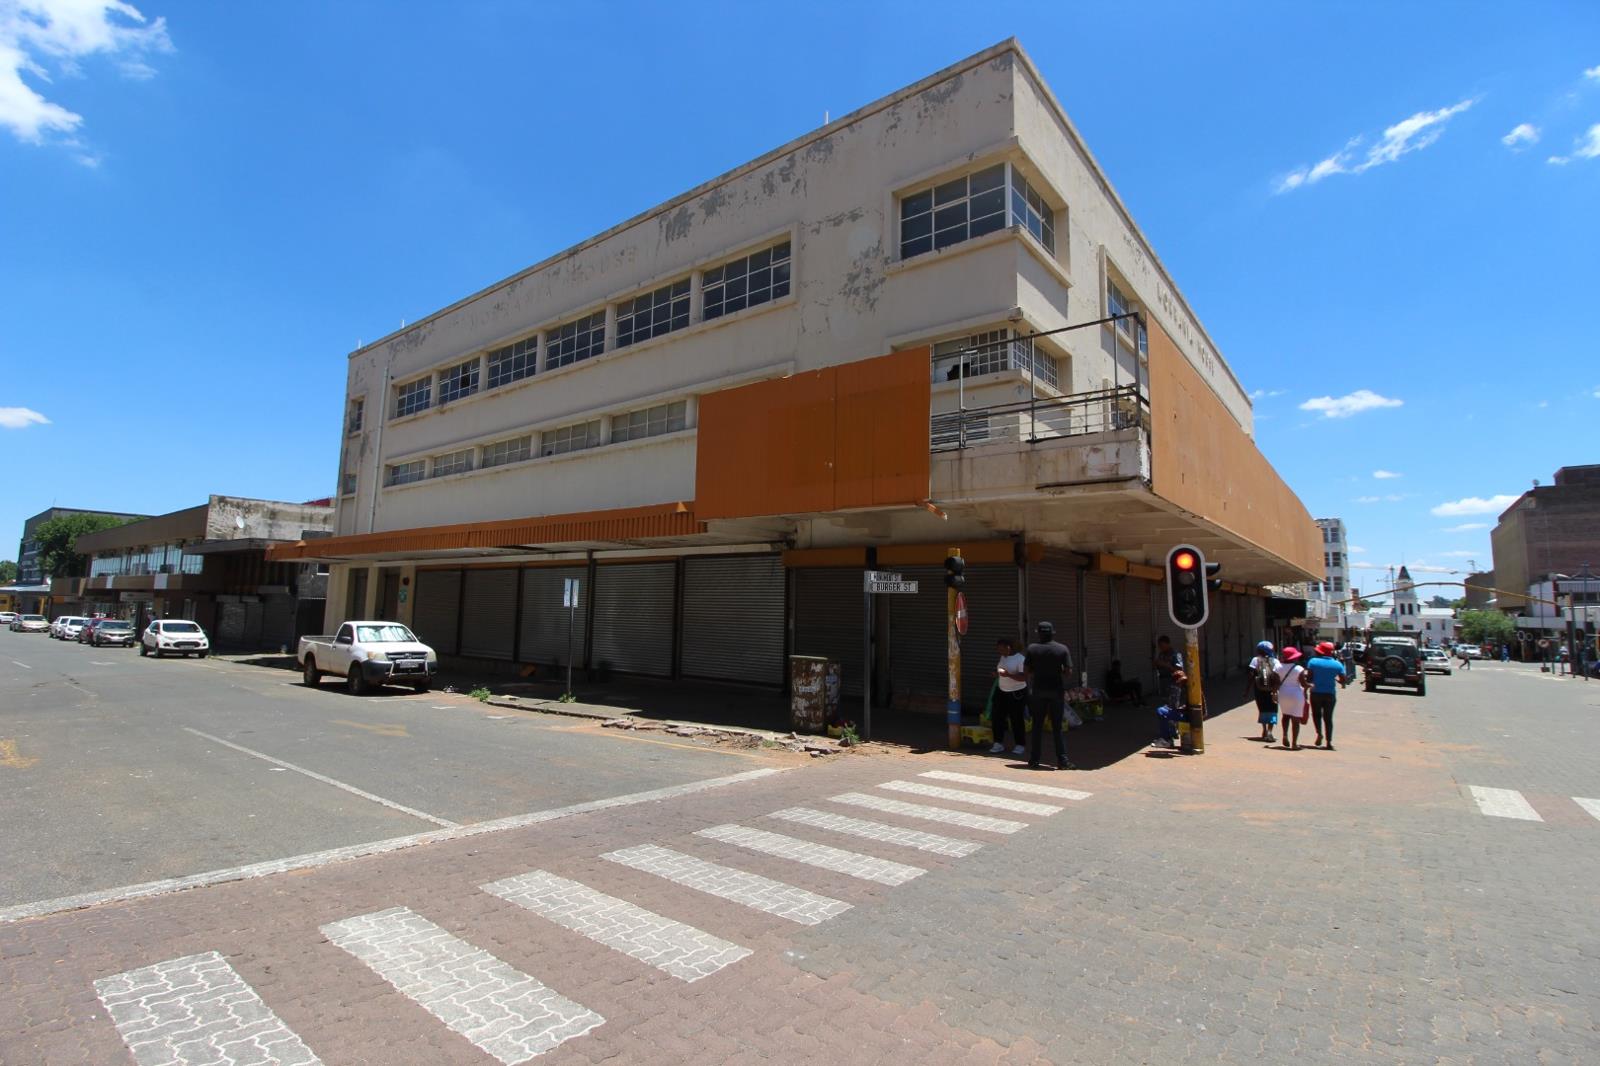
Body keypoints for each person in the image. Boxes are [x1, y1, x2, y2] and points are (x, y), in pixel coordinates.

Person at [1024, 621, 1075, 771]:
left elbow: (1026, 671)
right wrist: (1057, 671)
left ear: (1038, 633)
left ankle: (1034, 760)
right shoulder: (1062, 649)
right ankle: (1063, 761)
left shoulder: (1032, 649)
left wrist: (1037, 672)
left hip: (1038, 691)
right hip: (1056, 691)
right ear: (1052, 633)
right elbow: (1068, 672)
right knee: (1057, 727)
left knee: (1037, 726)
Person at [989, 637, 1028, 757]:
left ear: (1008, 648)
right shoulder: (1003, 657)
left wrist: (1008, 675)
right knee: (997, 717)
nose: (1000, 652)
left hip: (1016, 693)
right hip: (1002, 691)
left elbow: (1023, 677)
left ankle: (1020, 744)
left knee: (1016, 719)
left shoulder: (1020, 659)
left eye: (1002, 649)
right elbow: (1001, 672)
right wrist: (997, 674)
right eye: (998, 650)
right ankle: (998, 742)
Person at [1305, 641, 1348, 750]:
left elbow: (1309, 678)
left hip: (1316, 692)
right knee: (1328, 718)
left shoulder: (1313, 662)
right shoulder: (1337, 664)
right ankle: (1329, 742)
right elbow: (1343, 680)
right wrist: (1336, 680)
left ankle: (1319, 733)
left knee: (1316, 715)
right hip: (1330, 694)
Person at [1274, 647, 1310, 750]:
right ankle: (1294, 743)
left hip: (1283, 693)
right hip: (1296, 694)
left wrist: (1274, 693)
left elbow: (1275, 682)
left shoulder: (1277, 667)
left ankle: (1285, 735)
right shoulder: (1299, 668)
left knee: (1285, 716)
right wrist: (1310, 685)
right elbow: (1303, 684)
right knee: (1296, 719)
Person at [1244, 640, 1280, 742]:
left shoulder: (1255, 660)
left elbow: (1251, 676)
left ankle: (1264, 730)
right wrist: (1277, 689)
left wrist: (1247, 691)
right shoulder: (1275, 661)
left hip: (1259, 689)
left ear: (1260, 650)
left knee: (1262, 709)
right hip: (1272, 689)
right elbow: (1278, 676)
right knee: (1272, 709)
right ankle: (1270, 731)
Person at [1152, 669, 1188, 750]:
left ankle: (1166, 739)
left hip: (1188, 714)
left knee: (1161, 711)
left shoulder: (1177, 689)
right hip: (1187, 712)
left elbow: (1174, 706)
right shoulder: (1184, 688)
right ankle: (1168, 737)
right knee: (1165, 711)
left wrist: (1180, 708)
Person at [1153, 634, 1185, 710]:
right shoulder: (1161, 654)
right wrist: (1156, 664)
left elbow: (1180, 671)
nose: (1160, 647)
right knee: (1165, 705)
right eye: (1159, 646)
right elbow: (1159, 667)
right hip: (1163, 682)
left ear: (1167, 644)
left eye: (1162, 645)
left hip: (1173, 683)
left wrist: (1166, 665)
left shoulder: (1176, 654)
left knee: (1173, 706)